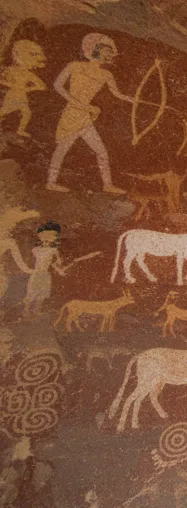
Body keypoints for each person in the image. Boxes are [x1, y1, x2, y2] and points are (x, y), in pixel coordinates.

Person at [46, 34, 131, 194]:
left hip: (86, 117)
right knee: (62, 149)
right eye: (107, 51)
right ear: (96, 50)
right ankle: (51, 182)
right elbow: (57, 85)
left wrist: (131, 99)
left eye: (111, 52)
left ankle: (107, 185)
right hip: (73, 114)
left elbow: (117, 94)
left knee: (101, 151)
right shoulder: (75, 66)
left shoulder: (106, 75)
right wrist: (77, 103)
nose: (110, 55)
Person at [0, 40, 46, 138]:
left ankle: (20, 130)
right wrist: (12, 85)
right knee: (5, 111)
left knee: (26, 113)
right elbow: (2, 81)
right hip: (13, 95)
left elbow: (42, 86)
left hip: (22, 95)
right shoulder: (11, 70)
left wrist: (28, 89)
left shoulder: (29, 74)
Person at [24, 222, 64, 316]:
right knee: (31, 293)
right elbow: (29, 261)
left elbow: (56, 263)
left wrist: (59, 268)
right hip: (36, 273)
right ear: (40, 235)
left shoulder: (54, 250)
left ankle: (36, 310)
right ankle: (26, 310)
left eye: (52, 236)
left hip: (45, 275)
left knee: (42, 294)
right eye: (45, 235)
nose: (47, 238)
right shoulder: (35, 250)